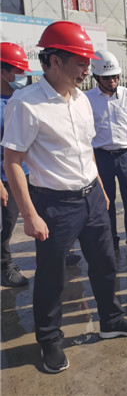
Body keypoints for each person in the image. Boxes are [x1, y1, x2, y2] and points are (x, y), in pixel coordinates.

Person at [2, 21, 127, 374]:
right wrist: (30, 215)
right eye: (81, 62)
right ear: (54, 61)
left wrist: (100, 188)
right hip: (54, 204)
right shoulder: (27, 104)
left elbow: (85, 149)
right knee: (52, 275)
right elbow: (13, 161)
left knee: (105, 262)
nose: (87, 70)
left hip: (92, 197)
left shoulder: (81, 99)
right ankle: (49, 340)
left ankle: (111, 320)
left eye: (88, 62)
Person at [87, 50, 127, 256]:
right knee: (105, 202)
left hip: (126, 154)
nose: (112, 81)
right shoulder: (88, 99)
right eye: (107, 77)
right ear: (96, 77)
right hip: (101, 156)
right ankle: (111, 239)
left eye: (115, 76)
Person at [1, 42, 31, 287]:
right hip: (4, 177)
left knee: (40, 214)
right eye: (18, 71)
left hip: (30, 171)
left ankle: (55, 253)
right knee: (7, 224)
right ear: (2, 72)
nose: (23, 76)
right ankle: (4, 265)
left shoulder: (22, 98)